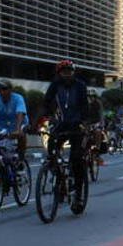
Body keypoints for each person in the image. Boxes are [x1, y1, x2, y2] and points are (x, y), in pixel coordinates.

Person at [41, 60, 89, 209]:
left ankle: (78, 196)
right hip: (61, 125)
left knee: (77, 159)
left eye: (69, 71)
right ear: (59, 73)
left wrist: (84, 123)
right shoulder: (55, 85)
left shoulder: (80, 86)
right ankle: (59, 178)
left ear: (73, 73)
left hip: (77, 125)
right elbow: (46, 104)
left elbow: (84, 107)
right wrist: (35, 123)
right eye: (63, 72)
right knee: (51, 148)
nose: (67, 74)